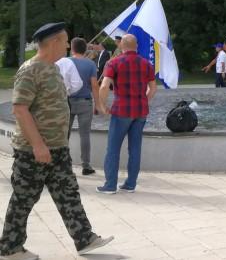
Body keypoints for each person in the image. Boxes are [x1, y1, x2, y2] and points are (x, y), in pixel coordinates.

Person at [0, 23, 113, 259]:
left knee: (69, 192)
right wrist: (38, 145)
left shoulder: (53, 68)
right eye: (64, 41)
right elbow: (20, 109)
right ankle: (10, 248)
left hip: (57, 148)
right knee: (24, 198)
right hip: (33, 150)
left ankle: (84, 239)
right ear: (53, 42)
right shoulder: (30, 70)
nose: (67, 45)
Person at [97, 34, 157, 194]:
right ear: (136, 46)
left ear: (121, 46)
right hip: (141, 111)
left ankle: (110, 185)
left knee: (113, 149)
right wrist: (144, 100)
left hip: (122, 110)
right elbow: (153, 88)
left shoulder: (114, 63)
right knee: (135, 148)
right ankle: (130, 184)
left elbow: (104, 87)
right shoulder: (146, 64)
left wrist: (101, 106)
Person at [68, 37, 103, 176]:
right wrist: (98, 104)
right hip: (85, 102)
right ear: (85, 49)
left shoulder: (66, 62)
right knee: (85, 135)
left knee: (64, 134)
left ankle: (63, 164)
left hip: (67, 101)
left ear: (72, 48)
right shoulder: (90, 64)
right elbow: (95, 86)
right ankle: (86, 166)